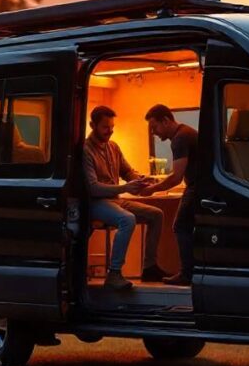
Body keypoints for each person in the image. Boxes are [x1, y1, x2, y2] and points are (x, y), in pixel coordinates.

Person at [83, 105, 169, 290]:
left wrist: (141, 180)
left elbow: (127, 171)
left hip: (115, 200)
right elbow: (93, 188)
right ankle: (114, 274)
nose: (110, 131)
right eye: (105, 127)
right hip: (96, 202)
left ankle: (149, 267)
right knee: (127, 219)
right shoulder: (85, 150)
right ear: (92, 125)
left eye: (112, 126)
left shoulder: (113, 147)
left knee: (156, 214)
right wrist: (125, 187)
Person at [141, 104, 198, 285]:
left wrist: (151, 189)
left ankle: (187, 274)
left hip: (196, 188)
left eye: (154, 127)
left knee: (181, 226)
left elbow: (176, 178)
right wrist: (155, 181)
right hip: (199, 186)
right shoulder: (186, 132)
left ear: (165, 121)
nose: (153, 133)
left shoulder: (180, 139)